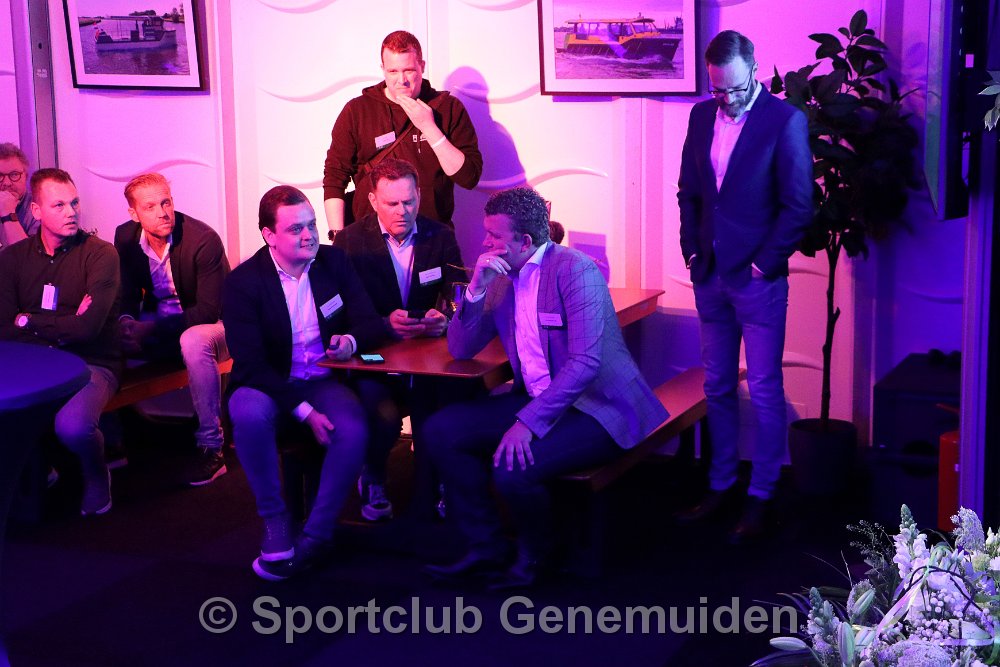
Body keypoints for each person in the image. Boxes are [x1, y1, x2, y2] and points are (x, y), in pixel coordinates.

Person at [422, 187, 668, 589]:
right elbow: (460, 348)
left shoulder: (574, 270)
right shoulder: (499, 277)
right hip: (538, 396)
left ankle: (536, 556)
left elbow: (585, 363)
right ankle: (487, 546)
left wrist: (527, 423)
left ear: (525, 241)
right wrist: (476, 288)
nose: (484, 243)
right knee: (441, 430)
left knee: (511, 467)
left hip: (598, 406)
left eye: (494, 236)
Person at [675, 30, 813, 543]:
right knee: (716, 385)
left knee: (765, 386)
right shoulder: (700, 116)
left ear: (754, 70)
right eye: (718, 89)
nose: (727, 99)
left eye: (735, 88)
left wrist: (764, 264)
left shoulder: (785, 120)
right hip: (709, 273)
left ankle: (762, 495)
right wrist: (692, 251)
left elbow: (799, 204)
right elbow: (689, 191)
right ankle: (721, 485)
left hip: (757, 280)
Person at [223, 185, 386, 581]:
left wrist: (351, 342)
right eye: (296, 229)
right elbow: (251, 363)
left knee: (352, 428)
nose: (309, 235)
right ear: (269, 236)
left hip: (322, 379)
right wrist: (304, 411)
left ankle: (317, 534)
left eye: (311, 225)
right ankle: (275, 520)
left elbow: (369, 323)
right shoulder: (243, 282)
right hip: (268, 382)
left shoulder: (334, 262)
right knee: (247, 412)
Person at [333, 157, 466, 521]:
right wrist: (382, 324)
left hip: (426, 355)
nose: (402, 211)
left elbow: (457, 294)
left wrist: (445, 318)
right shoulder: (350, 242)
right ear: (373, 200)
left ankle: (435, 485)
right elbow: (339, 313)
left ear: (419, 195)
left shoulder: (440, 236)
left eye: (408, 201)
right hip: (373, 357)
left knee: (437, 405)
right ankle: (373, 474)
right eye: (392, 203)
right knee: (382, 412)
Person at [0, 168, 121, 515]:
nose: (71, 212)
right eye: (59, 205)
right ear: (36, 211)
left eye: (74, 203)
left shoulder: (101, 254)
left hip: (90, 362)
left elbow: (87, 330)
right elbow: (4, 329)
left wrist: (29, 319)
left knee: (74, 427)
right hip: (34, 363)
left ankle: (97, 475)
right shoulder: (12, 259)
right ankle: (37, 471)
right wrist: (65, 322)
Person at [114, 173, 230, 485]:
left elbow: (208, 311)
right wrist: (127, 323)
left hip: (215, 326)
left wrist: (150, 330)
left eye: (166, 203)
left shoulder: (202, 240)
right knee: (102, 334)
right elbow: (126, 294)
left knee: (193, 340)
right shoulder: (125, 238)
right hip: (160, 325)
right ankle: (114, 439)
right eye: (150, 207)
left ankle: (212, 448)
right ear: (134, 214)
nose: (163, 213)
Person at [322, 30, 482, 234]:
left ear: (422, 66)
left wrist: (429, 127)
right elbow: (334, 177)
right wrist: (337, 236)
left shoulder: (448, 108)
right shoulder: (357, 110)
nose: (401, 80)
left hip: (431, 237)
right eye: (393, 71)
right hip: (370, 237)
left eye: (409, 70)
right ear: (382, 69)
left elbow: (469, 177)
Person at [0, 142, 40, 249]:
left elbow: (29, 257)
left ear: (26, 177)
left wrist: (8, 213)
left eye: (14, 174)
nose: (7, 183)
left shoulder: (39, 208)